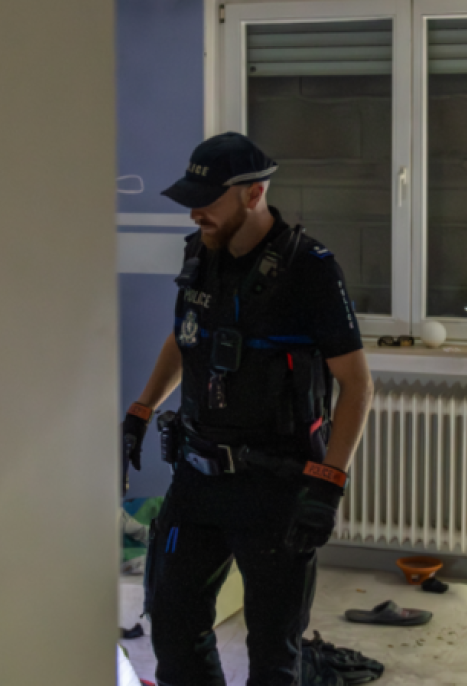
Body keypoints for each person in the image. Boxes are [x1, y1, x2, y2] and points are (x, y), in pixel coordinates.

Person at [120, 132, 374, 686]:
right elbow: (185, 337)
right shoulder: (200, 252)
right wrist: (140, 410)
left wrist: (328, 486)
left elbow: (357, 385)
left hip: (276, 490)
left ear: (254, 194)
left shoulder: (310, 268)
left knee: (274, 656)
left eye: (206, 201)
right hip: (197, 478)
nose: (195, 213)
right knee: (173, 631)